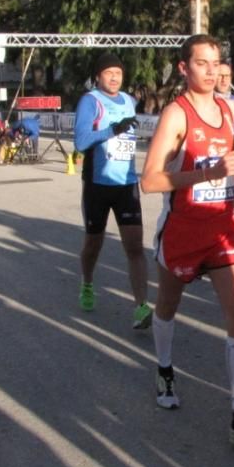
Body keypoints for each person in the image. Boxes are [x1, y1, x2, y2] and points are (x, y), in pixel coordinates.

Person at [140, 34, 234, 450]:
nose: (212, 70)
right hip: (183, 231)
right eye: (202, 63)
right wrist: (207, 175)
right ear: (184, 68)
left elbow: (224, 169)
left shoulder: (227, 110)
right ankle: (164, 368)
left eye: (216, 62)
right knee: (167, 306)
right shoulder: (175, 115)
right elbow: (149, 180)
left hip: (222, 230)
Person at [73, 52, 152, 329]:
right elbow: (81, 142)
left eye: (118, 72)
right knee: (93, 243)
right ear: (98, 76)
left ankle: (141, 306)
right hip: (97, 183)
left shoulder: (130, 101)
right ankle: (87, 283)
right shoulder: (91, 101)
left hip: (126, 183)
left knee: (134, 246)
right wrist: (111, 130)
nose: (115, 77)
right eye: (109, 72)